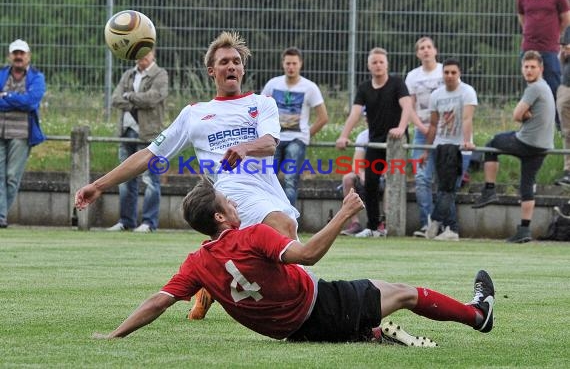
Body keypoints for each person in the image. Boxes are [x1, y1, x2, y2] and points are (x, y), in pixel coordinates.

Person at [92, 177, 495, 343]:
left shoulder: (197, 263)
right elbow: (309, 256)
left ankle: (370, 333)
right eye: (228, 202)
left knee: (362, 319)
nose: (235, 204)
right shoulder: (253, 234)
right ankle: (479, 315)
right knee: (405, 293)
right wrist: (344, 213)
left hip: (292, 333)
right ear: (220, 217)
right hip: (321, 307)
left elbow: (158, 301)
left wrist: (114, 333)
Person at [75, 31, 299, 319]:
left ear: (243, 68)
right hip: (230, 191)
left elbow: (270, 143)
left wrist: (245, 147)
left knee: (273, 238)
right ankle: (302, 310)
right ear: (211, 71)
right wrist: (98, 185)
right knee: (283, 230)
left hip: (267, 189)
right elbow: (148, 155)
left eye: (236, 61)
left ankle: (210, 283)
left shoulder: (262, 103)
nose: (231, 66)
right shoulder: (194, 114)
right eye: (223, 62)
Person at [472, 51, 555, 244]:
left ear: (540, 69)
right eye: (526, 67)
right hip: (543, 146)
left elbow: (516, 115)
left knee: (492, 144)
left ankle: (489, 189)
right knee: (527, 185)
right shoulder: (546, 87)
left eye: (533, 67)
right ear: (521, 68)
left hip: (527, 142)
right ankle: (524, 230)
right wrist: (527, 115)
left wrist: (523, 115)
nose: (528, 70)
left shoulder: (534, 88)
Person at [336, 47, 412, 238]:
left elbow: (407, 106)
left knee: (393, 180)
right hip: (374, 140)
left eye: (381, 62)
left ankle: (390, 226)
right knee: (369, 181)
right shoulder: (364, 88)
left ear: (386, 64)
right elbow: (355, 113)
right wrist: (344, 135)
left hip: (395, 141)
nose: (378, 65)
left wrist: (402, 128)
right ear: (369, 66)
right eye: (374, 62)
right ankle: (372, 226)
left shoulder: (397, 83)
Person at [107, 50, 168, 233]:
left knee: (151, 180)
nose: (141, 57)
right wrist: (134, 101)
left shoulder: (160, 74)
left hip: (149, 135)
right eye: (138, 53)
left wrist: (130, 97)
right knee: (125, 180)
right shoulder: (128, 74)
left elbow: (154, 98)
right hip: (126, 132)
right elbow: (115, 98)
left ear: (153, 54)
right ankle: (126, 221)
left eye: (145, 53)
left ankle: (149, 223)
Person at [261, 47, 328, 207]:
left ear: (300, 64)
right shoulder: (273, 84)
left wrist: (305, 135)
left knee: (290, 180)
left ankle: (290, 222)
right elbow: (260, 110)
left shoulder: (310, 87)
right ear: (283, 64)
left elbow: (323, 117)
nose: (291, 67)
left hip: (296, 140)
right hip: (274, 139)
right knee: (266, 179)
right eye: (288, 63)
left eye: (294, 63)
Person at [419, 59, 477, 240]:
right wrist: (427, 151)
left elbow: (468, 118)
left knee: (450, 188)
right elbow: (434, 125)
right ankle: (450, 229)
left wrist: (466, 142)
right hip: (441, 147)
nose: (450, 76)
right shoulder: (436, 95)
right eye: (446, 72)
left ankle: (438, 222)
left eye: (453, 72)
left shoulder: (467, 92)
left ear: (459, 73)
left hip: (460, 148)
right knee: (443, 188)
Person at [0, 39, 46, 229]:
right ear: (10, 55)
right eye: (15, 53)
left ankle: (1, 213)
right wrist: (19, 100)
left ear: (28, 56)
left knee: (11, 176)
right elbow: (25, 101)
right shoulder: (2, 73)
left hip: (21, 134)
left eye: (22, 53)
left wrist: (6, 97)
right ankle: (1, 217)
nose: (18, 57)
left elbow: (31, 102)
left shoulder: (37, 77)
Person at [405, 37, 444, 237]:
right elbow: (409, 106)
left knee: (442, 179)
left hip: (444, 131)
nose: (426, 51)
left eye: (429, 47)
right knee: (421, 177)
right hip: (421, 131)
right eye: (422, 48)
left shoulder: (444, 71)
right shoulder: (412, 76)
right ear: (418, 53)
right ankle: (426, 222)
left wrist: (436, 127)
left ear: (435, 50)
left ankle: (442, 223)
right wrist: (421, 126)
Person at [517, 0, 570, 126]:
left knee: (554, 89)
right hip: (528, 49)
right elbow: (522, 20)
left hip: (549, 51)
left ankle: (559, 127)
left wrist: (554, 36)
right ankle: (533, 126)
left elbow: (566, 20)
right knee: (532, 90)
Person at [555, 28, 570, 186]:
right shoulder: (568, 30)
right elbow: (561, 60)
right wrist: (563, 54)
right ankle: (568, 171)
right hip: (565, 87)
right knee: (567, 132)